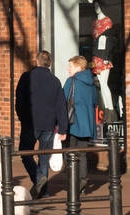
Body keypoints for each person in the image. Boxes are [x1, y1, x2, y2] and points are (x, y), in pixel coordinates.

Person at [15, 50, 69, 199]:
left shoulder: (26, 77)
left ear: (36, 61)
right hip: (49, 125)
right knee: (44, 157)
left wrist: (22, 118)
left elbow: (19, 101)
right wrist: (63, 128)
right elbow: (61, 107)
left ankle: (39, 179)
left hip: (30, 123)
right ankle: (43, 191)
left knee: (24, 153)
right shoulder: (55, 80)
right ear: (49, 63)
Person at [63, 55, 99, 191]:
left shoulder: (71, 81)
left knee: (71, 153)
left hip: (73, 122)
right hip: (87, 124)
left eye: (71, 66)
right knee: (82, 154)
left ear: (79, 67)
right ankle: (82, 182)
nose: (68, 69)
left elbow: (63, 101)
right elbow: (95, 102)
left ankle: (74, 184)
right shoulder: (91, 83)